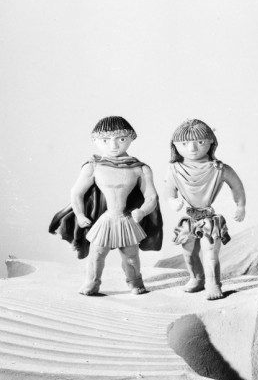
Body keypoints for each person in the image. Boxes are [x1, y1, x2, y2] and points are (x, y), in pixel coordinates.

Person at [49, 116, 161, 295]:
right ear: (95, 141)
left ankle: (135, 282)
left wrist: (142, 211)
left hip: (126, 219)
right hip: (106, 219)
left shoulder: (139, 168)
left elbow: (151, 196)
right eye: (105, 140)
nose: (113, 145)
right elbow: (76, 193)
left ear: (131, 138)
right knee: (97, 255)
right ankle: (92, 283)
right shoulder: (93, 166)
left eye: (121, 139)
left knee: (131, 257)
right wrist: (80, 215)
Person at [165, 119, 246, 300]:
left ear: (211, 142)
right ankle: (197, 278)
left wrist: (240, 206)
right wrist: (172, 201)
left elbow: (237, 186)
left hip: (209, 219)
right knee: (188, 252)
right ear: (175, 145)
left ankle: (213, 284)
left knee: (210, 254)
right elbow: (169, 190)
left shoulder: (219, 168)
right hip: (189, 219)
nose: (192, 148)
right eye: (184, 144)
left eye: (200, 142)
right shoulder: (174, 169)